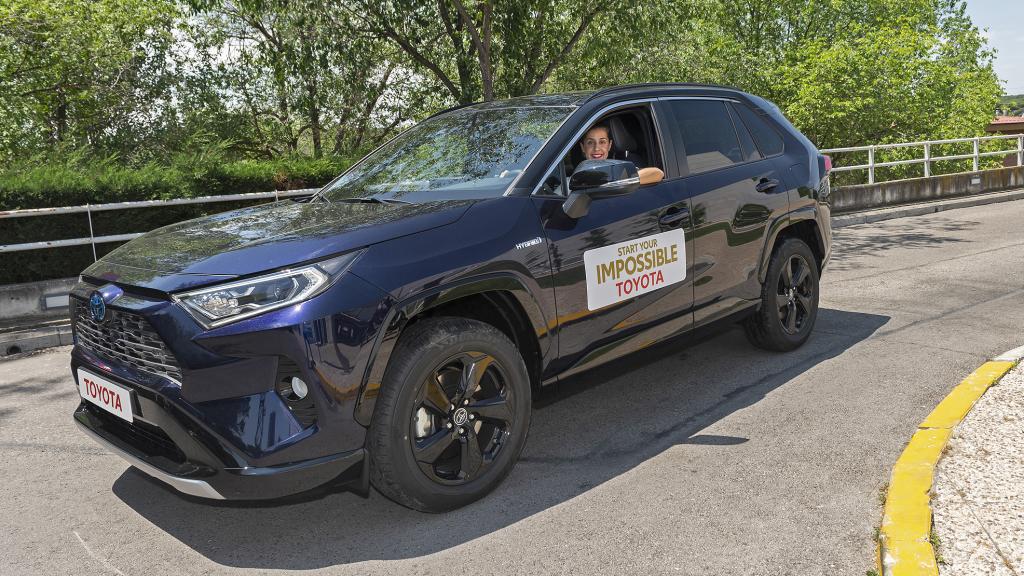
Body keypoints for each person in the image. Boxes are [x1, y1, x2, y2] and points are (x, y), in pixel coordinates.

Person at [579, 123, 664, 185]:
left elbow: (657, 173)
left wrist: (620, 181)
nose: (596, 148)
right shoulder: (572, 178)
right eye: (590, 142)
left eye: (602, 142)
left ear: (609, 145)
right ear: (583, 147)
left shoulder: (618, 168)